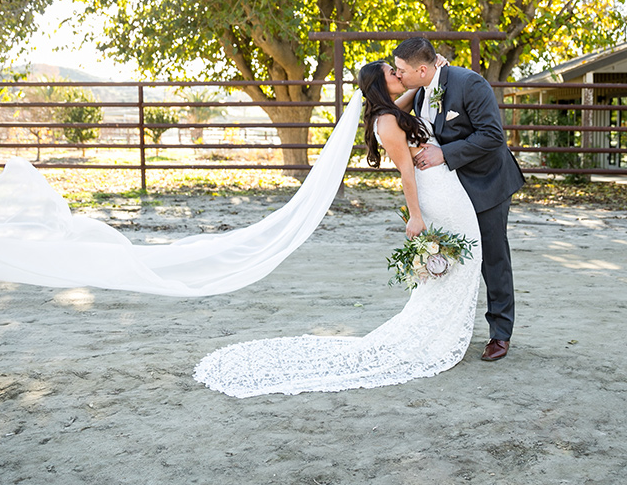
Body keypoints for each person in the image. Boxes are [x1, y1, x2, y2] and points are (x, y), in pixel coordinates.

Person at [191, 59, 484, 397]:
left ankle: (442, 331)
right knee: (464, 260)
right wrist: (415, 216)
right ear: (379, 83)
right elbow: (406, 173)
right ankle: (436, 336)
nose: (398, 74)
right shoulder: (386, 122)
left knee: (461, 263)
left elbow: (411, 94)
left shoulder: (390, 112)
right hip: (436, 193)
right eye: (392, 72)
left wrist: (430, 73)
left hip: (447, 187)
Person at [392, 37, 524, 362]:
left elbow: (492, 135)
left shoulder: (470, 83)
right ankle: (448, 326)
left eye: (400, 71)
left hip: (487, 184)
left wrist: (443, 154)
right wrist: (413, 86)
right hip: (450, 191)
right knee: (448, 257)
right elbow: (392, 113)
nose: (397, 76)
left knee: (493, 258)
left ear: (422, 69)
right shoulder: (421, 89)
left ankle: (500, 334)